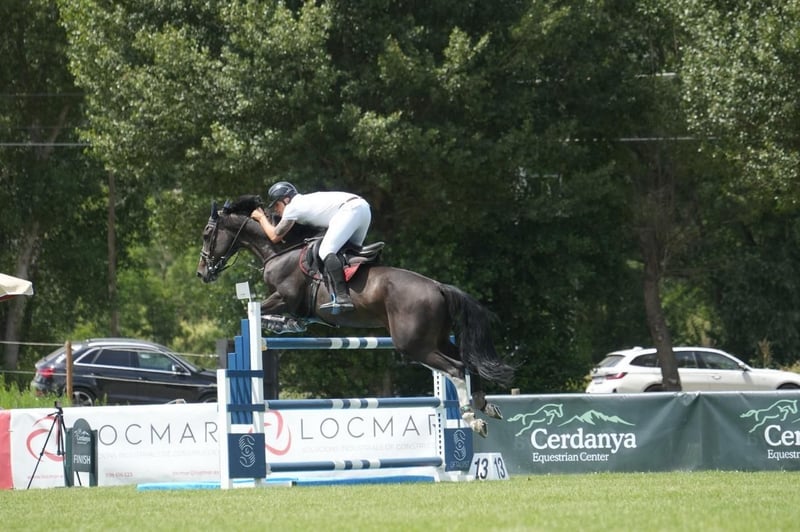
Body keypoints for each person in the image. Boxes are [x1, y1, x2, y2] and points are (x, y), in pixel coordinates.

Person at [250, 181, 371, 313]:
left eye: (277, 205)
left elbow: (275, 236)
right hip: (363, 208)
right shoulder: (304, 201)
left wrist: (261, 218)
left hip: (350, 210)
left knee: (325, 251)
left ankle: (342, 297)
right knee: (349, 252)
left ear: (286, 200)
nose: (276, 211)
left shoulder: (292, 207)